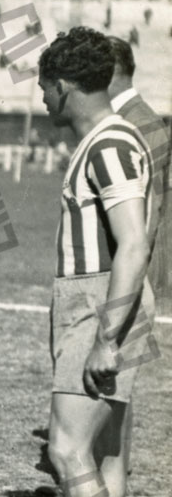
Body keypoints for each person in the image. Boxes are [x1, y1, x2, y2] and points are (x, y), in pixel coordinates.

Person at [20, 27, 158, 497]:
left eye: (46, 87)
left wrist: (105, 335)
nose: (43, 100)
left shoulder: (108, 143)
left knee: (66, 448)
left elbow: (133, 242)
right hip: (98, 302)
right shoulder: (106, 142)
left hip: (99, 304)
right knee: (102, 455)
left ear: (65, 84)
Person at [106, 36, 170, 307]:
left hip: (133, 278)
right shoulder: (126, 119)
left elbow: (149, 215)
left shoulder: (141, 124)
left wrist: (130, 285)